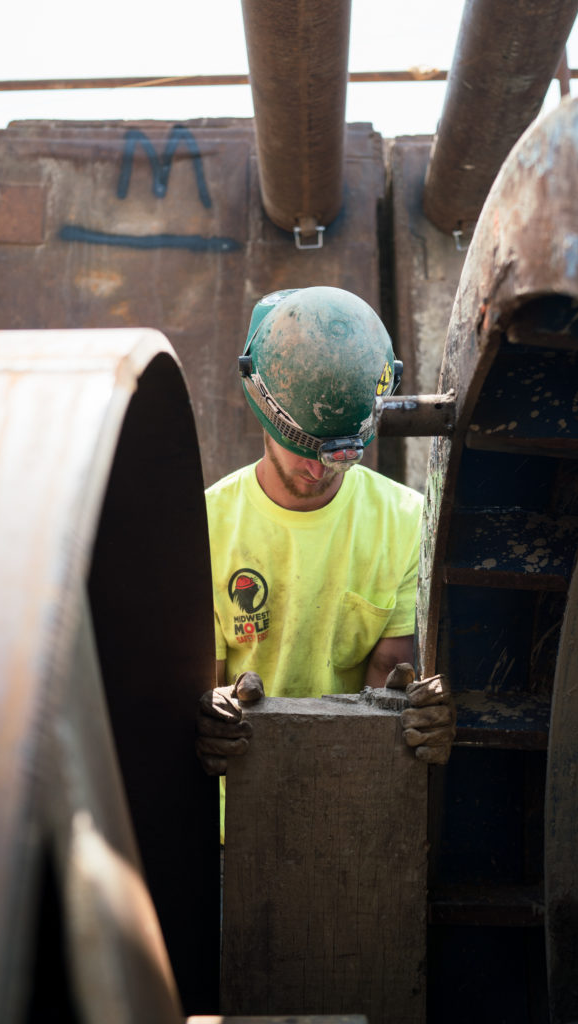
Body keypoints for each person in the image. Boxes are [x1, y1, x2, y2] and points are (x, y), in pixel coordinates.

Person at [195, 286, 455, 781]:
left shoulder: (405, 522)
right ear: (261, 402)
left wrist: (424, 716)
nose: (320, 470)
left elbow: (388, 689)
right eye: (306, 450)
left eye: (340, 455)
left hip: (354, 794)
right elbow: (205, 693)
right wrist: (209, 718)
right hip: (239, 804)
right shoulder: (209, 527)